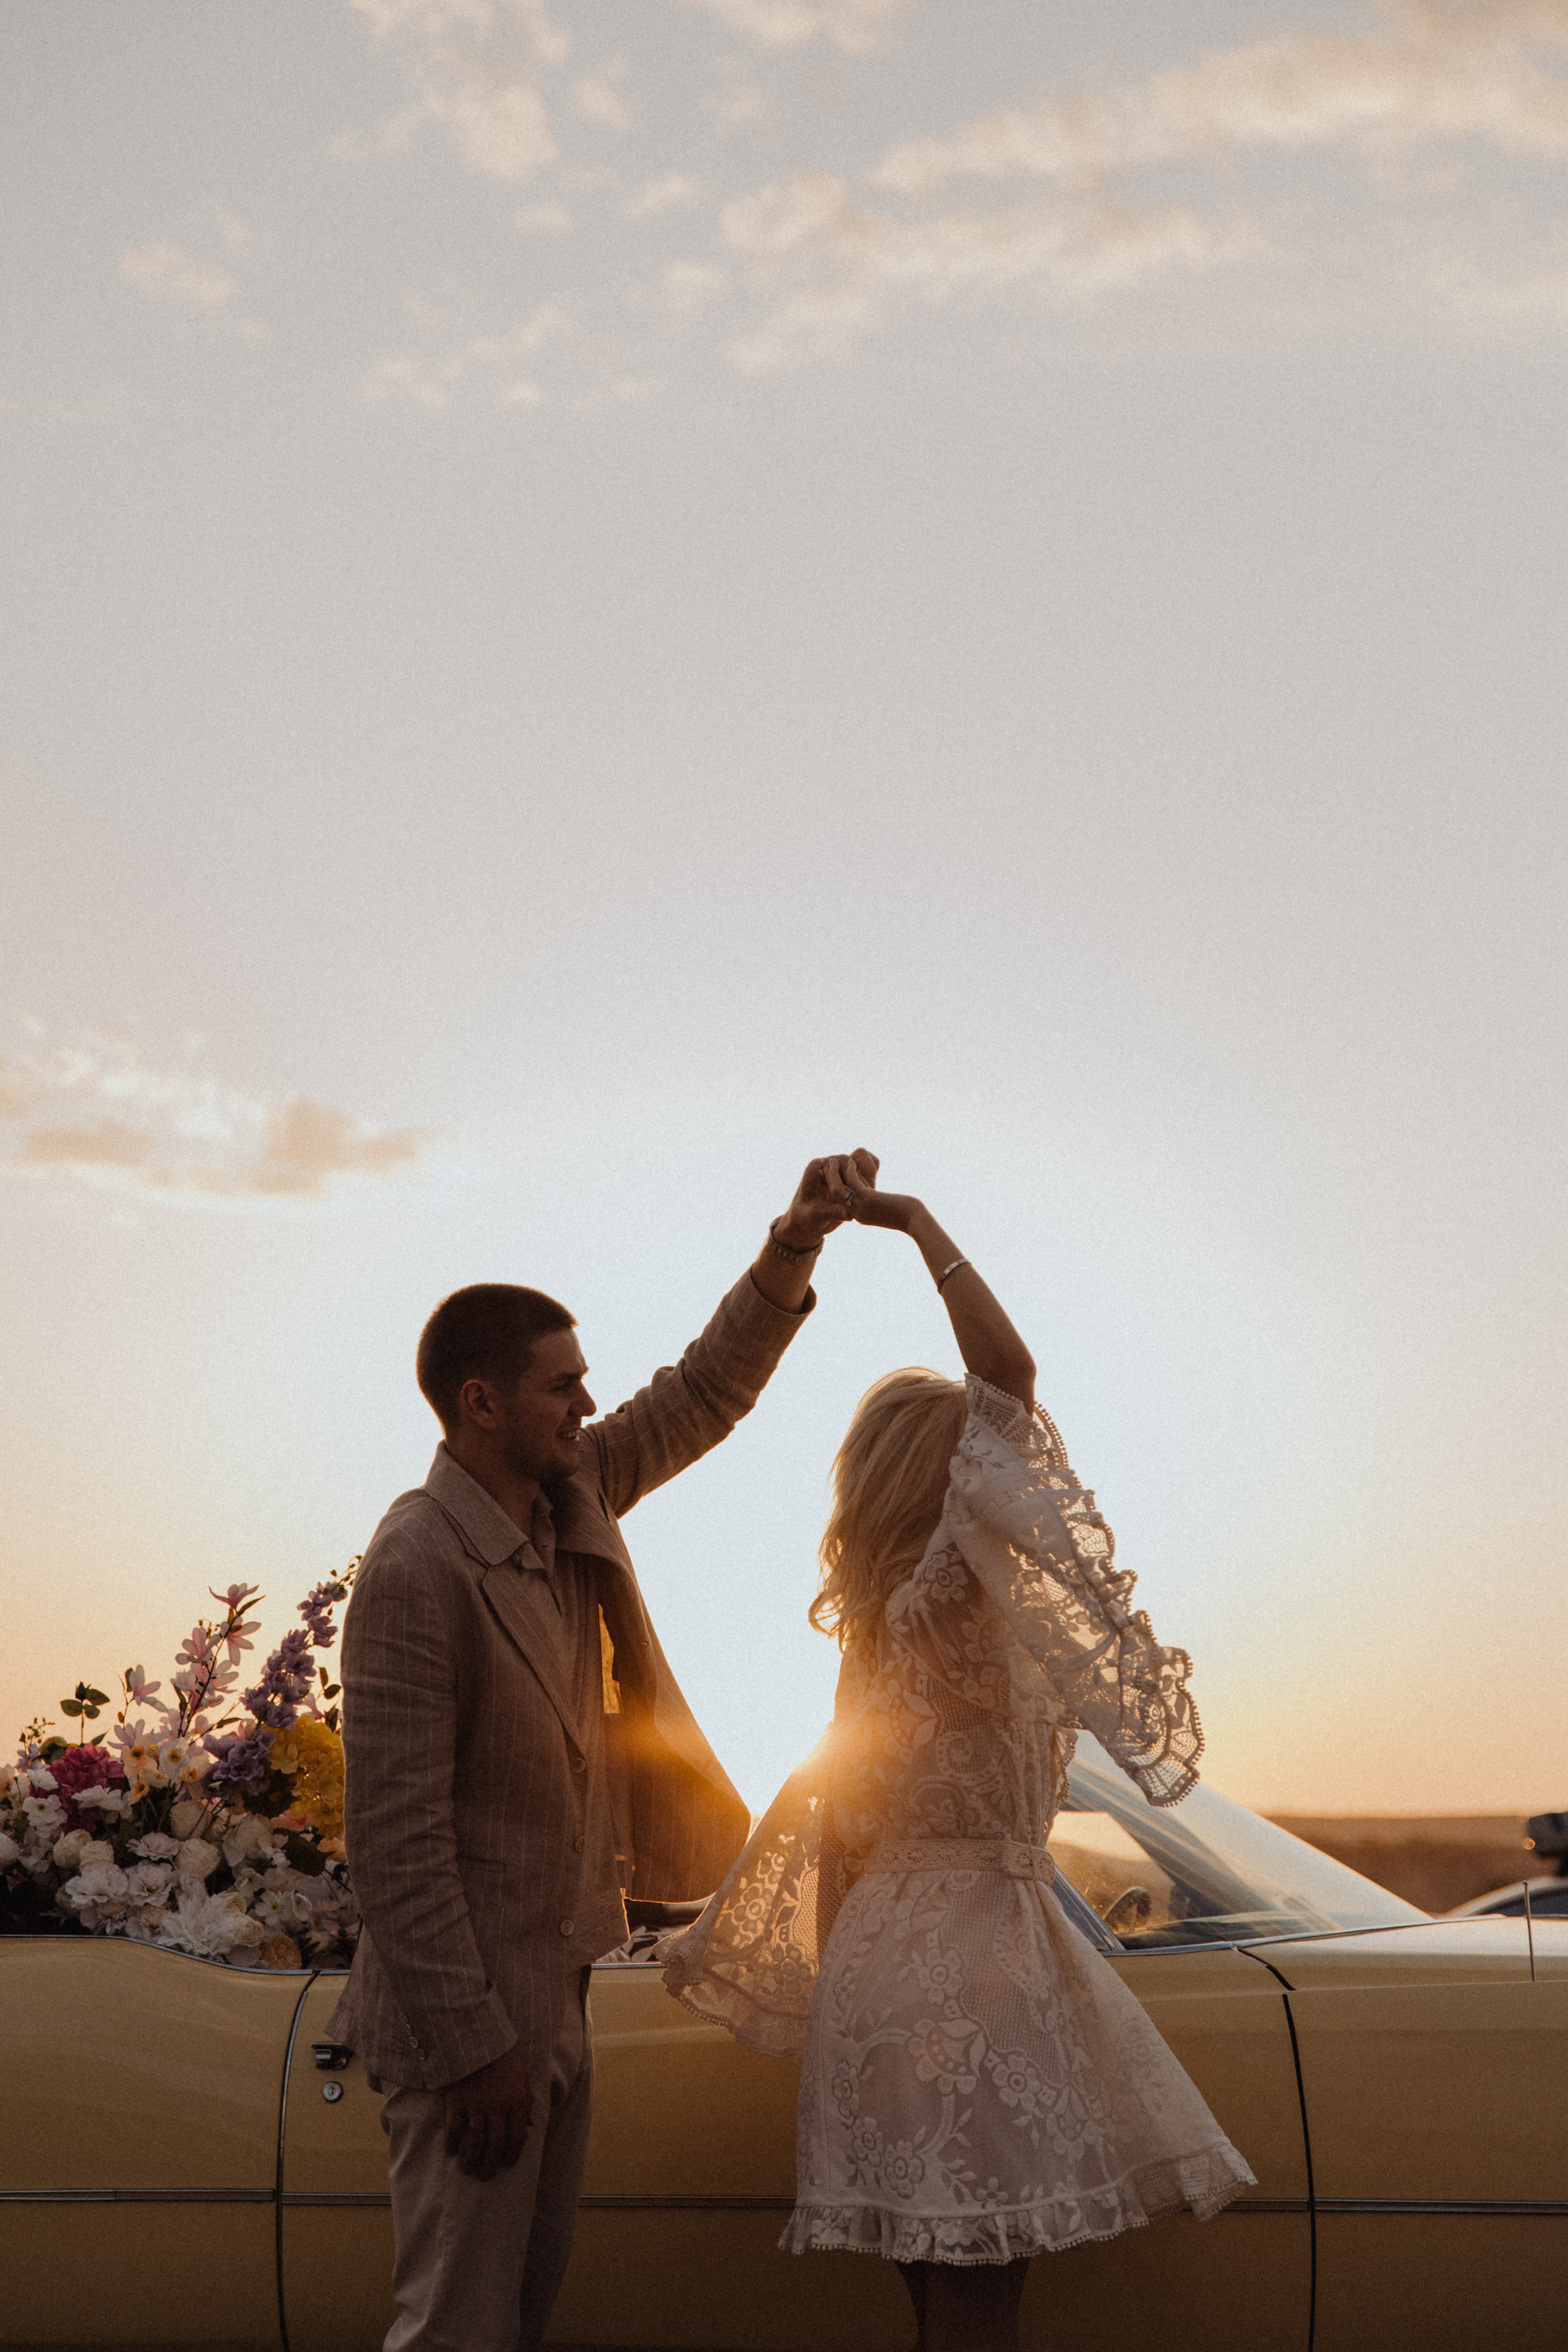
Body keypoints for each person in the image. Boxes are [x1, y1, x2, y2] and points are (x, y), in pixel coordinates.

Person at [663, 1164, 1255, 2352]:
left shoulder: (881, 1636)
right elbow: (1012, 1381)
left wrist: (850, 2005)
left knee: (949, 2314)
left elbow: (837, 1837)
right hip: (967, 1976)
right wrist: (915, 1224)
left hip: (879, 1970)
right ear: (955, 1490)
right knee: (979, 2319)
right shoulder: (951, 1606)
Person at [330, 1152, 875, 2352]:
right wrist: (478, 2054)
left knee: (516, 2324)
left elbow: (701, 1393)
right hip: (465, 2038)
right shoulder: (418, 1567)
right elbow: (397, 1843)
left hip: (558, 2005)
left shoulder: (573, 1501)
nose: (586, 1406)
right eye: (562, 1386)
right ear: (482, 1403)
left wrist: (793, 1246)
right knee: (455, 2334)